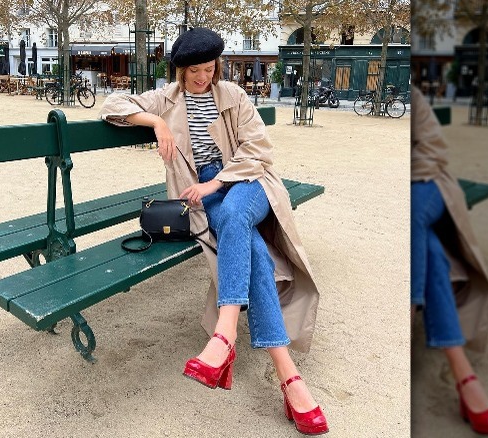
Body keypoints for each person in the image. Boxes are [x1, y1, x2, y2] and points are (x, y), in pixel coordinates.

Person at [99, 28, 327, 435]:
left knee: (238, 218)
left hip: (247, 183)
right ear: (180, 71)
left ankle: (224, 336)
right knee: (252, 249)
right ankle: (290, 379)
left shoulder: (233, 96)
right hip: (205, 196)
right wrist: (156, 123)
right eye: (195, 71)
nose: (204, 77)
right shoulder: (166, 100)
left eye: (210, 68)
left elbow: (258, 150)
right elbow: (111, 105)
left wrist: (215, 182)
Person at [411, 86, 488, 435]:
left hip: (429, 185)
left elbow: (434, 153)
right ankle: (463, 372)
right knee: (431, 249)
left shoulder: (415, 97)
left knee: (413, 217)